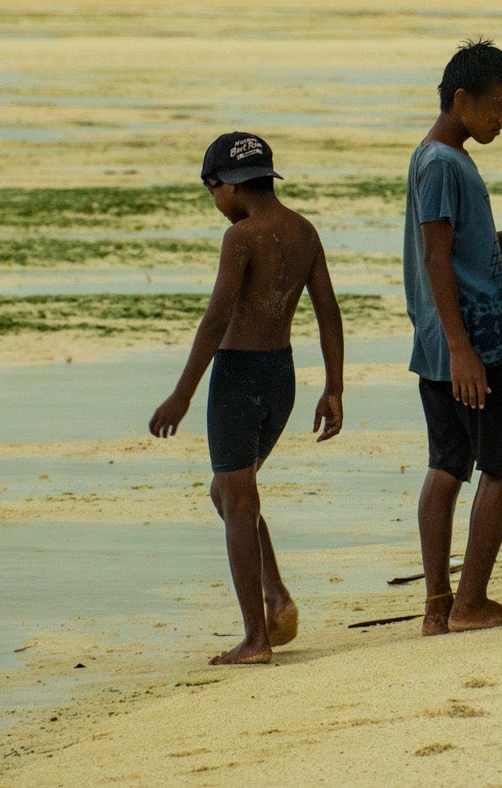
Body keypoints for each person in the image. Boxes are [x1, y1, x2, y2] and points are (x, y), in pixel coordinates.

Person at [149, 131, 345, 665]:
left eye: (213, 193)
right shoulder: (304, 231)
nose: (217, 205)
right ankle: (276, 594)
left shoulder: (241, 237)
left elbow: (216, 318)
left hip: (237, 378)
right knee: (231, 492)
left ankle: (257, 638)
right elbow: (328, 311)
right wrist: (334, 387)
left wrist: (182, 394)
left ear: (227, 186)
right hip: (281, 377)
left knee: (237, 501)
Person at [404, 39, 502, 635]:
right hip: (477, 345)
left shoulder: (437, 159)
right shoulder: (443, 163)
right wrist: (465, 350)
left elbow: (471, 252)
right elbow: (438, 259)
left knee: (448, 464)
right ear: (461, 98)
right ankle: (470, 602)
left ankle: (439, 605)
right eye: (497, 106)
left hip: (443, 343)